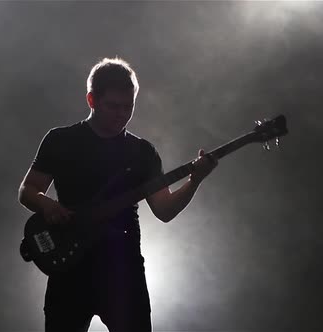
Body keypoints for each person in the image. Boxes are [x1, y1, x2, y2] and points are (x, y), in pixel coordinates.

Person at [18, 57, 217, 332]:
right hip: (70, 269)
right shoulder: (61, 140)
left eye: (128, 106)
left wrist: (195, 180)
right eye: (113, 106)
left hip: (123, 271)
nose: (121, 114)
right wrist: (47, 205)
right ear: (91, 100)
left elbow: (164, 210)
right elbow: (27, 190)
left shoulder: (142, 152)